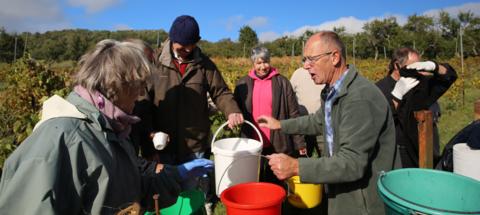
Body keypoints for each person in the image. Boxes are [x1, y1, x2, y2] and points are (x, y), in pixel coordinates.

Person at [0, 39, 213, 214]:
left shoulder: (110, 131)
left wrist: (176, 175)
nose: (140, 96)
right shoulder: (59, 142)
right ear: (118, 86)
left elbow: (130, 189)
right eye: (139, 87)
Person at [257, 31, 396, 215]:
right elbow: (317, 121)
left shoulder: (359, 98)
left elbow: (352, 163)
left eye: (311, 59)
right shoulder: (332, 91)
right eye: (304, 60)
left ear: (335, 58)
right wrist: (281, 125)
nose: (306, 66)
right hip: (343, 192)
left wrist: (296, 166)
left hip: (364, 202)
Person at [131, 15, 243, 214]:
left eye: (191, 45)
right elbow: (143, 105)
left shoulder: (204, 65)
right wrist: (149, 141)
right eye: (182, 47)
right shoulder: (155, 63)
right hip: (163, 144)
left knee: (191, 192)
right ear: (171, 40)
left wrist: (232, 110)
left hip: (194, 144)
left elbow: (221, 92)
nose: (187, 50)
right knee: (166, 195)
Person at [233, 47, 306, 184]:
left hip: (277, 142)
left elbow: (293, 114)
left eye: (265, 62)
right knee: (254, 178)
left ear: (270, 61)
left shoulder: (282, 83)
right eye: (258, 63)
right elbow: (234, 109)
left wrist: (300, 143)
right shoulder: (243, 83)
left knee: (276, 181)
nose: (262, 67)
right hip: (252, 141)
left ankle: (278, 204)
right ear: (253, 64)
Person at [376, 47, 457, 168]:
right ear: (397, 65)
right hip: (398, 157)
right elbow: (377, 122)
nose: (417, 70)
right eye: (413, 66)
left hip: (424, 152)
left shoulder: (420, 84)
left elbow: (449, 77)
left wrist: (435, 66)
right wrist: (395, 98)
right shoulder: (379, 89)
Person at [290, 67, 325, 157]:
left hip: (322, 127)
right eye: (305, 59)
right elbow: (289, 96)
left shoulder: (324, 72)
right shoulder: (298, 73)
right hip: (304, 127)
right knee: (303, 158)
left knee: (326, 158)